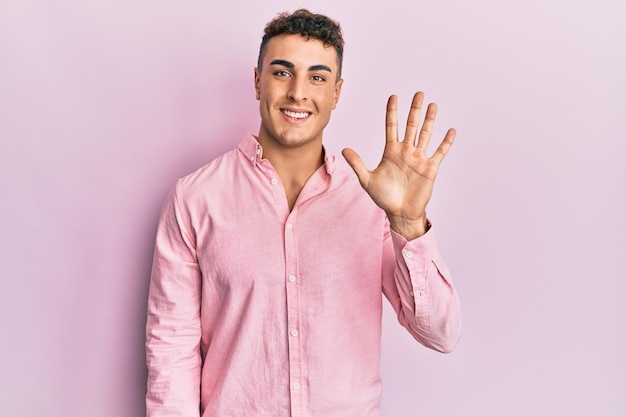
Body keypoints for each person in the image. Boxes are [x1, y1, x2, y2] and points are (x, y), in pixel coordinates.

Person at [146, 9, 461, 417]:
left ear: (336, 92)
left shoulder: (370, 203)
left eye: (317, 76)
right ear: (257, 80)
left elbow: (440, 333)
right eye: (282, 72)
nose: (298, 92)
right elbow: (170, 349)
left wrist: (408, 222)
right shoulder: (195, 198)